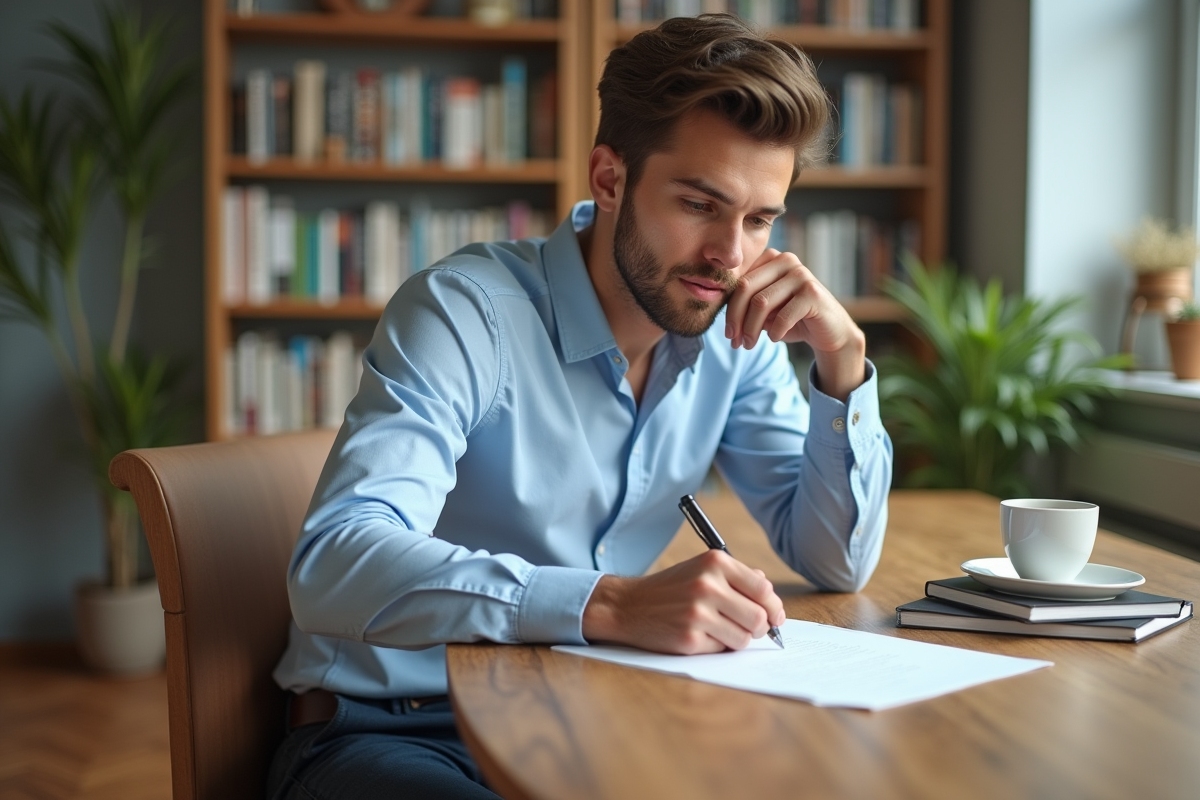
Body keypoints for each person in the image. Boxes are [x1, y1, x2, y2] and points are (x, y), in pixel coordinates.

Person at [267, 13, 892, 800]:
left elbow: (833, 559)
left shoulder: (739, 340)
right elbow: (334, 566)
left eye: (760, 220)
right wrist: (613, 603)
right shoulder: (466, 314)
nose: (731, 256)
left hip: (596, 714)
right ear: (610, 178)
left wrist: (843, 365)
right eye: (700, 204)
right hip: (395, 730)